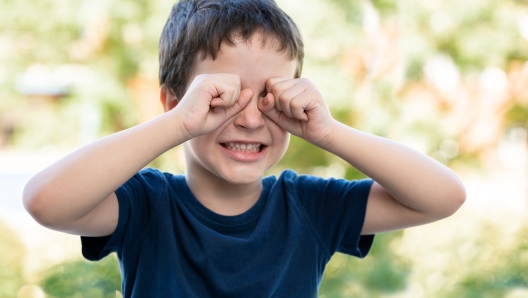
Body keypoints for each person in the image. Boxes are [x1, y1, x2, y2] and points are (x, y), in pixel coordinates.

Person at [22, 0, 466, 297]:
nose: (252, 119)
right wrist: (175, 125)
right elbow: (46, 202)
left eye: (270, 96)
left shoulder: (310, 206)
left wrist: (329, 132)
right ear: (176, 103)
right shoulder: (145, 205)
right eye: (225, 97)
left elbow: (444, 196)